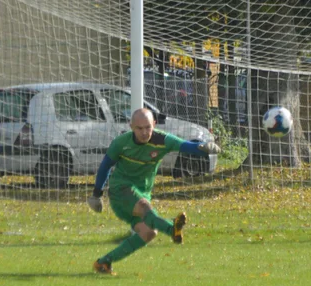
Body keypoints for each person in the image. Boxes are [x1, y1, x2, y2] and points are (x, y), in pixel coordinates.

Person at [86, 107, 221, 275]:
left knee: (149, 233)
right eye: (139, 128)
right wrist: (96, 195)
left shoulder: (162, 140)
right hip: (120, 190)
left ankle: (104, 263)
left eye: (148, 127)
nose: (144, 132)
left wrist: (203, 147)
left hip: (142, 193)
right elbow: (106, 166)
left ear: (154, 124)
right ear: (131, 127)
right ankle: (172, 229)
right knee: (145, 207)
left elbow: (185, 146)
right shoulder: (121, 143)